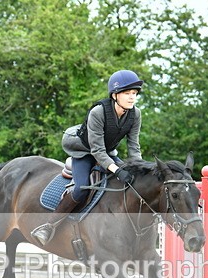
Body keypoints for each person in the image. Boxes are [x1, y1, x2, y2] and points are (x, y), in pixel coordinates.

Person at [31, 69, 144, 245]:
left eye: (134, 93)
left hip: (106, 151)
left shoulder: (135, 115)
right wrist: (116, 169)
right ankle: (48, 226)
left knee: (129, 180)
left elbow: (134, 147)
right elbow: (97, 151)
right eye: (127, 93)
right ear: (114, 95)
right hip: (84, 149)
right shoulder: (98, 112)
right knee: (81, 187)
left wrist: (138, 168)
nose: (132, 97)